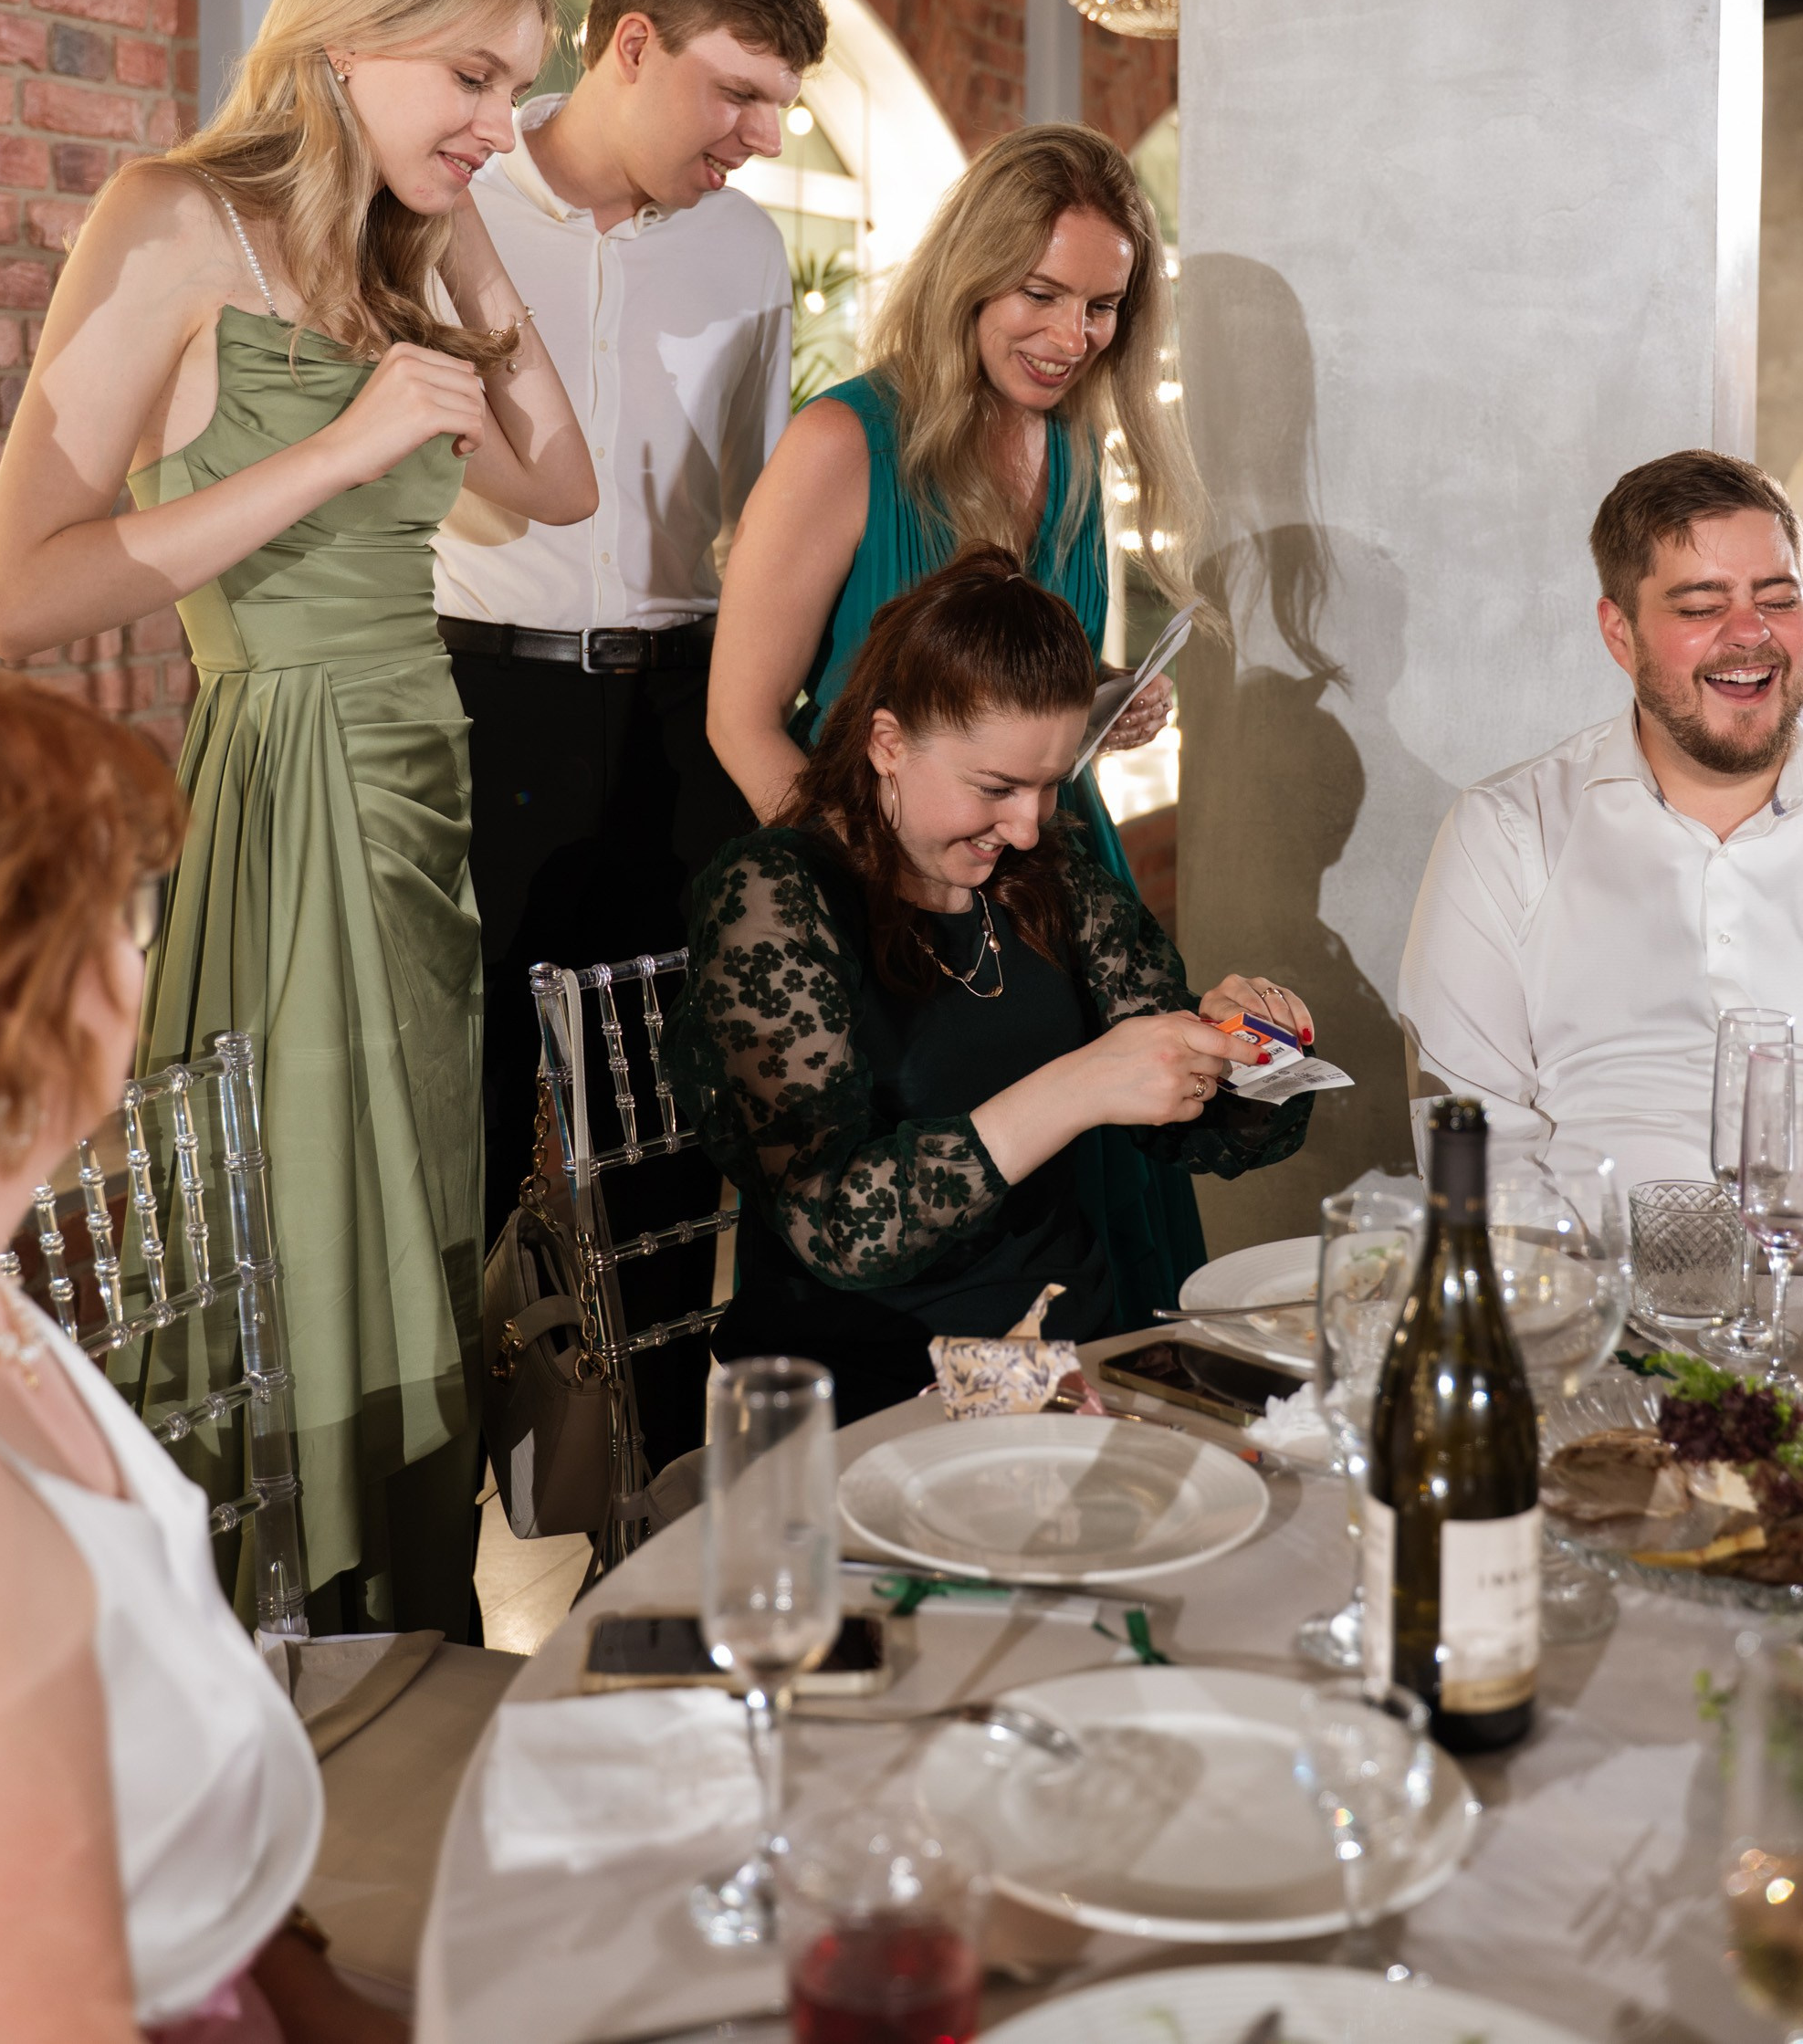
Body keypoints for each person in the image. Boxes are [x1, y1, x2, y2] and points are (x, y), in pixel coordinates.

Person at [0, 0, 596, 1636]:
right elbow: (19, 589)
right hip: (292, 769)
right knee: (304, 1234)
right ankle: (289, 1649)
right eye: (470, 81)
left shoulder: (400, 256)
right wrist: (340, 452)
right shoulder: (172, 218)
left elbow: (562, 482)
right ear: (343, 46)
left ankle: (398, 1633)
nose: (504, 124)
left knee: (417, 1218)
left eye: (517, 90)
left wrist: (461, 232)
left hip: (422, 791)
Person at [708, 121, 1263, 1325]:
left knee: (1100, 1197)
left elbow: (1014, 671)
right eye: (1041, 293)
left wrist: (1096, 698)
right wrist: (867, 912)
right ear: (971, 275)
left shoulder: (1068, 447)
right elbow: (741, 721)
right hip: (882, 887)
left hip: (1054, 865)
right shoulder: (840, 443)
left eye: (1104, 307)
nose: (1073, 337)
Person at [432, 0, 827, 1466]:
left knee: (669, 1139)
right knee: (456, 1126)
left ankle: (667, 1511)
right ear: (631, 42)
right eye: (736, 92)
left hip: (680, 710)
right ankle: (428, 1553)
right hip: (474, 700)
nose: (757, 136)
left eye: (780, 107)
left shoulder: (747, 249)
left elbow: (763, 521)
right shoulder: (449, 198)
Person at [0, 672, 404, 2044]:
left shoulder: (7, 1305)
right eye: (126, 914)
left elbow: (174, 1700)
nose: (143, 960)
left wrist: (311, 1987)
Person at [667, 550, 1316, 1422]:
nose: (1027, 824)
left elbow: (1208, 1140)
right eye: (997, 787)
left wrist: (1258, 1053)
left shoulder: (1046, 872)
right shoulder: (776, 898)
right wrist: (1080, 1086)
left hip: (1067, 1367)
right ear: (888, 743)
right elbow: (835, 1223)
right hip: (868, 1394)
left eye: (1051, 786)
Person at [1399, 449, 1803, 1185]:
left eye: (1778, 599)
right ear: (1621, 635)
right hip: (1590, 1283)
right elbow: (1473, 1153)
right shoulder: (1507, 834)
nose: (1751, 633)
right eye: (1702, 606)